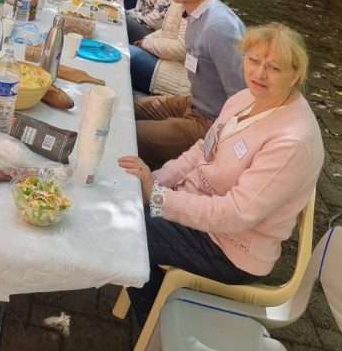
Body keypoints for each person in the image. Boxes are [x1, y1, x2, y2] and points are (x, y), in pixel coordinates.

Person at [119, 23, 324, 327]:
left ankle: (159, 329)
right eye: (253, 60)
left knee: (130, 234)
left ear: (296, 75)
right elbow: (204, 148)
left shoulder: (292, 142)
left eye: (274, 68)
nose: (259, 73)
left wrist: (158, 198)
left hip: (229, 248)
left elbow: (235, 214)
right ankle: (153, 295)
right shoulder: (246, 98)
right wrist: (157, 181)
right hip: (200, 211)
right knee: (123, 196)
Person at [133, 0, 245, 169]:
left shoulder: (219, 27)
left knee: (126, 132)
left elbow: (242, 97)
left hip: (209, 123)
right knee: (124, 108)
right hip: (191, 102)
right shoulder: (194, 12)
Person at [129, 0, 189, 98]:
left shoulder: (199, 8)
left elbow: (181, 49)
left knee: (124, 54)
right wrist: (147, 40)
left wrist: (147, 43)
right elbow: (167, 30)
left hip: (177, 73)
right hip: (164, 57)